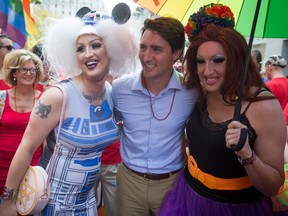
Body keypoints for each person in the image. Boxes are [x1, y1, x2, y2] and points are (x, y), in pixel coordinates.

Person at [0, 16, 137, 215]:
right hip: (51, 203)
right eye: (80, 48)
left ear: (112, 49)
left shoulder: (110, 91)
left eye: (96, 45)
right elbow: (26, 147)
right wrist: (8, 201)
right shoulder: (57, 96)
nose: (87, 54)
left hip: (88, 202)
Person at [158, 3, 286, 216]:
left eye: (218, 60)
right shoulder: (204, 92)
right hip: (186, 198)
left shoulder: (264, 106)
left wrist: (246, 154)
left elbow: (272, 186)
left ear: (236, 59)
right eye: (200, 61)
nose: (207, 71)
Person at [111, 17, 199, 215]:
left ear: (176, 53)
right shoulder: (119, 89)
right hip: (129, 183)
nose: (146, 57)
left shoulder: (192, 92)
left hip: (172, 183)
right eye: (143, 47)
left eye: (156, 49)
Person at [0, 49, 44, 195]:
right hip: (2, 165)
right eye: (23, 69)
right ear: (14, 73)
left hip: (32, 167)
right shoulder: (1, 98)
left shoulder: (45, 100)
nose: (29, 73)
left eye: (32, 69)